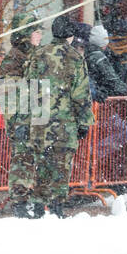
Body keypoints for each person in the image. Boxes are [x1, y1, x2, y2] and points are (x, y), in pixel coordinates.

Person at [24, 14, 93, 218]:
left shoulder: (38, 55)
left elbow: (28, 85)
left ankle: (37, 203)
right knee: (62, 164)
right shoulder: (75, 58)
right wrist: (84, 121)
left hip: (40, 118)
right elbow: (81, 94)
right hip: (65, 121)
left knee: (42, 162)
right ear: (70, 36)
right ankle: (56, 205)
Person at [0, 11, 45, 218]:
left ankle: (33, 199)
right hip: (22, 118)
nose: (40, 36)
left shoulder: (33, 56)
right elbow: (9, 93)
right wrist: (16, 122)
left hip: (35, 117)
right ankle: (20, 201)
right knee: (22, 160)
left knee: (34, 159)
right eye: (36, 32)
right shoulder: (15, 58)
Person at [85, 23, 127, 101]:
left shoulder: (87, 53)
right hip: (101, 99)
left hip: (95, 96)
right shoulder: (99, 58)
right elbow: (112, 79)